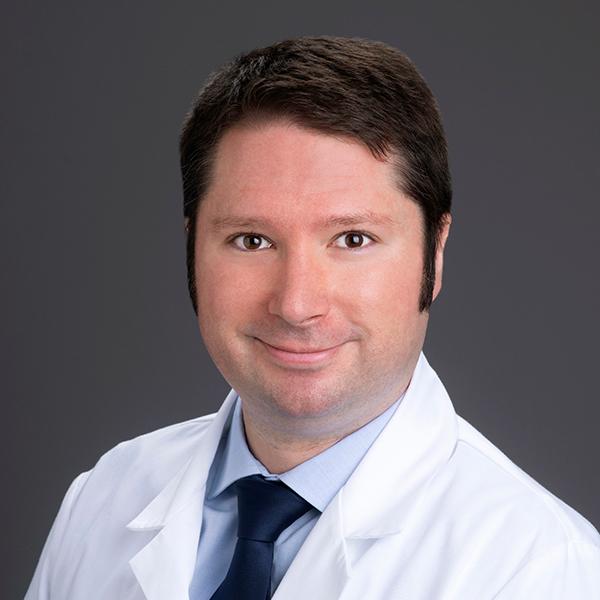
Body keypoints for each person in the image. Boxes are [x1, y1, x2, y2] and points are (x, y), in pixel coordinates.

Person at [26, 36, 600, 600]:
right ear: (192, 246)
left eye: (353, 239)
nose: (296, 305)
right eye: (251, 240)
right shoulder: (103, 500)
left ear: (436, 252)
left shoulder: (539, 570)